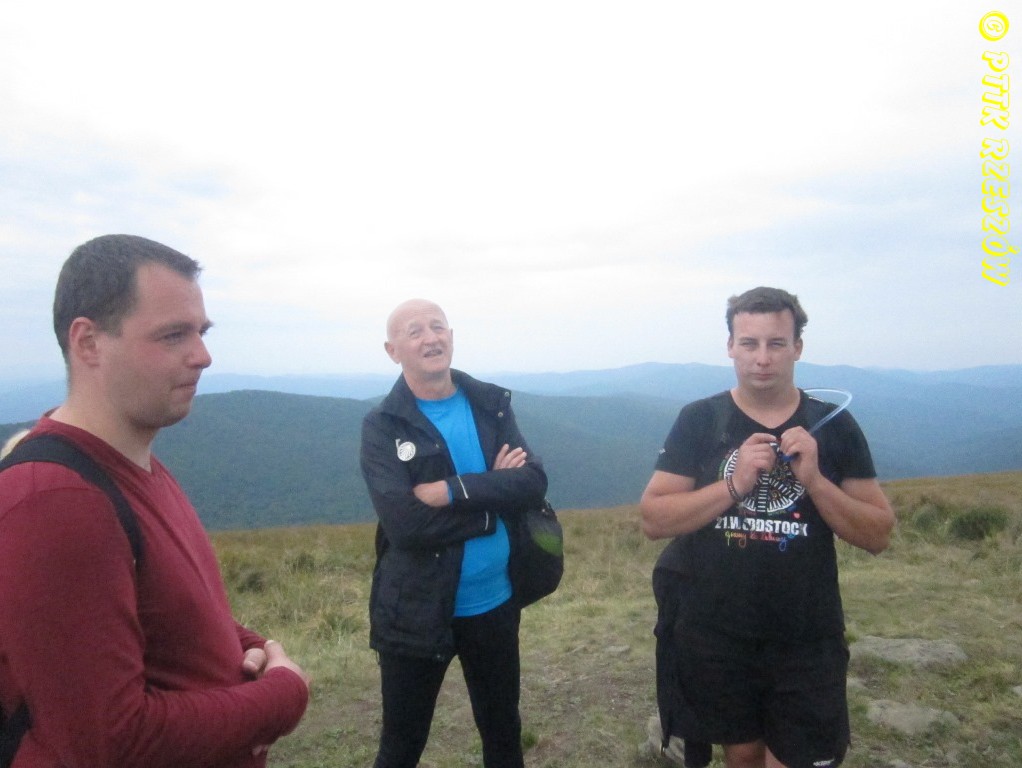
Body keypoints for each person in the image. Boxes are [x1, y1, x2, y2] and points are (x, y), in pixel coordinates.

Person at [0, 235, 310, 767]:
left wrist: (248, 648)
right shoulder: (56, 500)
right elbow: (110, 741)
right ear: (89, 342)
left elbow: (174, 612)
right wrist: (283, 694)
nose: (203, 356)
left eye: (201, 332)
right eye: (173, 335)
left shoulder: (133, 465)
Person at [640, 287, 895, 768]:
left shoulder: (832, 425)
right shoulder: (701, 420)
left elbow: (878, 533)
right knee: (742, 756)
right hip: (717, 635)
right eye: (749, 343)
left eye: (776, 343)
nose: (762, 358)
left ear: (797, 347)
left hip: (806, 637)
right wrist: (734, 485)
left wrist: (815, 480)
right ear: (730, 346)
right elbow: (654, 518)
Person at [360, 298, 547, 768]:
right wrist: (490, 507)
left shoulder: (489, 405)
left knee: (503, 732)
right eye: (415, 331)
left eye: (437, 326)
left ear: (451, 336)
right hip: (417, 610)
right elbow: (405, 525)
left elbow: (532, 482)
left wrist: (451, 489)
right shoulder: (382, 426)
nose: (430, 338)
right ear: (392, 350)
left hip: (495, 602)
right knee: (402, 746)